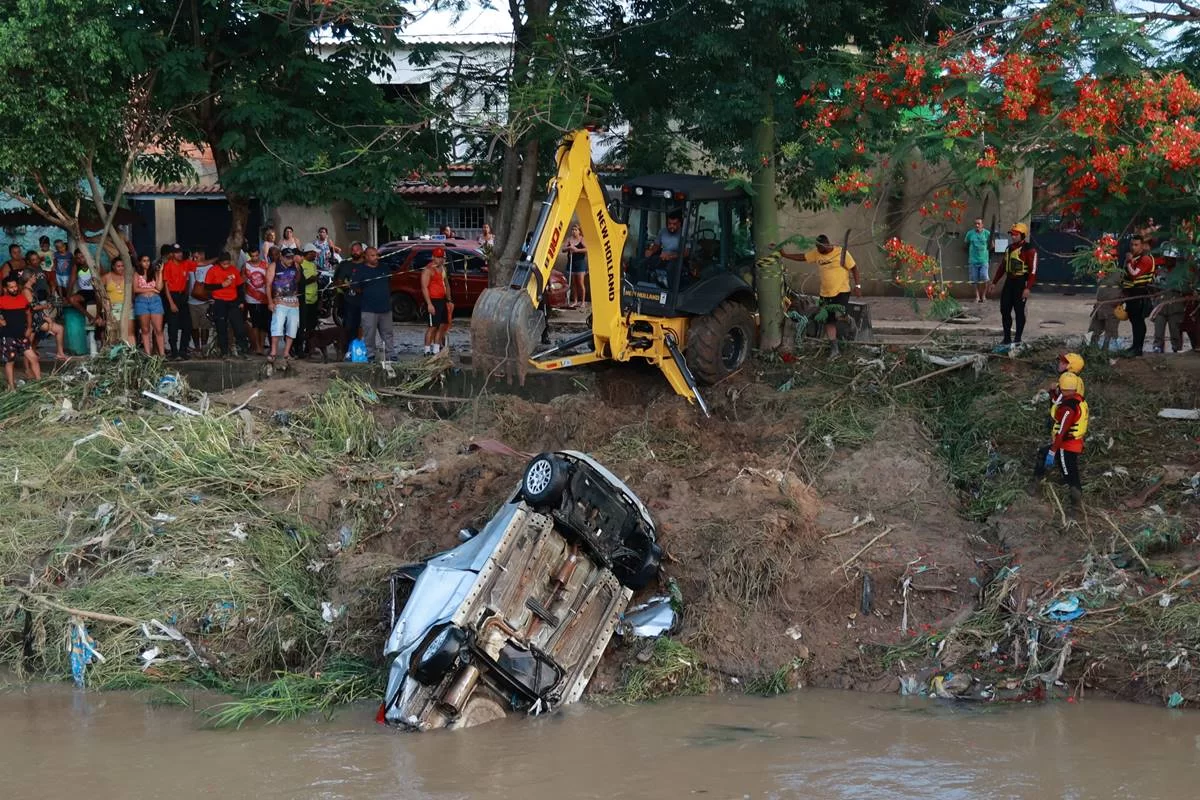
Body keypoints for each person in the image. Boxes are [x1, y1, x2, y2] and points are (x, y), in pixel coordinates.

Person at [779, 234, 862, 357]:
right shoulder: (817, 253)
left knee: (838, 313)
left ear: (827, 244)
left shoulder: (841, 253)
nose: (819, 251)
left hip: (841, 291)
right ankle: (835, 350)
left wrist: (858, 286)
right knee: (829, 321)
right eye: (817, 249)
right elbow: (802, 257)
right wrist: (785, 255)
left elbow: (854, 268)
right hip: (825, 293)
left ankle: (849, 320)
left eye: (821, 249)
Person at [1031, 372, 1088, 517]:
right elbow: (1057, 402)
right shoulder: (1078, 400)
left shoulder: (1068, 409)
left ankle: (1077, 507)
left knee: (1070, 474)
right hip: (1072, 443)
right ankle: (1035, 485)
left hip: (1066, 445)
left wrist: (1053, 451)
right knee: (1042, 453)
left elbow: (1062, 431)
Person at [987, 222, 1037, 347]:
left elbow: (1033, 271)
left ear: (1023, 235)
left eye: (1015, 234)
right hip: (1009, 282)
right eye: (1012, 234)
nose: (1013, 236)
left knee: (1019, 311)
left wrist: (1028, 288)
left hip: (1021, 282)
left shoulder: (1030, 250)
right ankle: (1007, 338)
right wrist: (994, 282)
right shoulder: (1009, 249)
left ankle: (1018, 339)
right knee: (1004, 309)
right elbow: (1002, 267)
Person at [352, 246, 394, 362]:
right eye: (373, 255)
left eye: (377, 255)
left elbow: (389, 282)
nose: (376, 258)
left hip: (385, 307)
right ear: (366, 257)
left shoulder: (384, 268)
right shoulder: (360, 270)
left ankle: (391, 354)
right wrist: (368, 293)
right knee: (369, 334)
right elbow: (355, 287)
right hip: (369, 308)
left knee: (388, 333)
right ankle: (370, 354)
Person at [204, 252, 250, 358]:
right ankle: (224, 351)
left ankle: (243, 348)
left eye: (228, 263)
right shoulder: (212, 270)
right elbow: (207, 287)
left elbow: (239, 287)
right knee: (221, 327)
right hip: (219, 301)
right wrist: (221, 285)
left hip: (233, 301)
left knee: (238, 326)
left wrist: (241, 301)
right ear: (220, 263)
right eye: (224, 264)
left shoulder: (233, 270)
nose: (226, 265)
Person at [0, 274, 41, 389]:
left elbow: (28, 314)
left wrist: (29, 328)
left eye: (15, 286)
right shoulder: (1, 300)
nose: (14, 289)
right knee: (10, 361)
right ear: (5, 289)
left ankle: (40, 383)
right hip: (7, 336)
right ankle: (12, 387)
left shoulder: (22, 299)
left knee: (33, 358)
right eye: (11, 287)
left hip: (21, 335)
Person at [266, 247, 301, 367]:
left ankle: (286, 352)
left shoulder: (294, 266)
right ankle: (274, 351)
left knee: (292, 326)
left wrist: (297, 267)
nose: (290, 260)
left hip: (293, 301)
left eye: (291, 258)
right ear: (281, 256)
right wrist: (270, 302)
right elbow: (268, 285)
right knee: (277, 326)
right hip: (279, 300)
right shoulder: (274, 266)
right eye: (287, 258)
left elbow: (298, 280)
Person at [1151, 248, 1190, 354]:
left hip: (1175, 305)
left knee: (1175, 330)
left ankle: (1176, 348)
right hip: (1160, 305)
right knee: (1158, 330)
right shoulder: (1159, 271)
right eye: (1166, 258)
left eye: (1170, 258)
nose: (1168, 260)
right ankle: (1157, 347)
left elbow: (1187, 289)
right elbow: (1153, 287)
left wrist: (1177, 287)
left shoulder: (1182, 273)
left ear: (1175, 259)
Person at [1122, 233, 1155, 357]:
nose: (1133, 247)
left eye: (1136, 245)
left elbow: (1135, 274)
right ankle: (1134, 346)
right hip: (1131, 294)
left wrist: (1129, 261)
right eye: (1132, 244)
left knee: (1138, 322)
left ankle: (1138, 349)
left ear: (1143, 246)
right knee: (1134, 321)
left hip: (1139, 294)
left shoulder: (1145, 259)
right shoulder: (1136, 258)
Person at [21, 269, 66, 361]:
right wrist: (46, 306)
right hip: (34, 320)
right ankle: (60, 354)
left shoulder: (29, 289)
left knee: (34, 340)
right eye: (34, 276)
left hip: (37, 317)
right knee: (59, 329)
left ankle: (34, 355)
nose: (36, 278)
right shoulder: (26, 291)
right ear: (29, 278)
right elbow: (33, 307)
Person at [421, 246, 453, 356]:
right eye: (438, 257)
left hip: (442, 300)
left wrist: (449, 300)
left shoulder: (443, 268)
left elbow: (446, 284)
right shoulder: (428, 270)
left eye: (442, 257)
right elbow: (424, 288)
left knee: (442, 325)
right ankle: (426, 350)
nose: (440, 260)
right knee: (432, 326)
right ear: (433, 257)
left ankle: (436, 349)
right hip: (433, 300)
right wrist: (429, 304)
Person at [133, 254, 166, 356]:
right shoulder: (136, 274)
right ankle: (148, 354)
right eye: (144, 261)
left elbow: (159, 288)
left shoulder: (154, 273)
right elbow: (135, 289)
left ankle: (162, 354)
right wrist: (151, 289)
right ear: (139, 262)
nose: (147, 263)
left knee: (159, 329)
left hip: (155, 300)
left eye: (148, 260)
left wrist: (160, 272)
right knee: (145, 329)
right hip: (142, 301)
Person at [242, 245, 270, 355]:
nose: (255, 258)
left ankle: (262, 346)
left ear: (259, 254)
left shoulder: (265, 265)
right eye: (252, 256)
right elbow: (243, 282)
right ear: (249, 255)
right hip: (251, 299)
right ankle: (257, 346)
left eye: (256, 255)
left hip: (264, 299)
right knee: (255, 324)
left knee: (263, 325)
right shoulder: (246, 266)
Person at [334, 241, 364, 345]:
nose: (355, 252)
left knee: (363, 326)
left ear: (362, 251)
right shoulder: (345, 265)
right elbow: (338, 281)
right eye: (353, 250)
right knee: (348, 326)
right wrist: (344, 285)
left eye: (358, 250)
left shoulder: (367, 265)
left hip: (365, 302)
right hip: (349, 301)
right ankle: (348, 348)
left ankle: (361, 348)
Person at [67, 250, 103, 333]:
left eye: (82, 256)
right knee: (72, 299)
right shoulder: (76, 267)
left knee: (99, 297)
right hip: (84, 291)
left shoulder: (94, 264)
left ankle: (98, 316)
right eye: (78, 258)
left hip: (95, 290)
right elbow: (71, 281)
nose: (81, 259)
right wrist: (68, 297)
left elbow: (102, 277)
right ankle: (90, 317)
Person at [297, 244, 320, 357]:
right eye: (314, 253)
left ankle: (309, 347)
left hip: (313, 299)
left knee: (312, 325)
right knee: (302, 325)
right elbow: (302, 282)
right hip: (304, 300)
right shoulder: (301, 265)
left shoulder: (313, 265)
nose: (316, 255)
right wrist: (313, 279)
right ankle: (299, 348)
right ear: (309, 252)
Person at [100, 256, 129, 342]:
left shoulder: (127, 276)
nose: (121, 268)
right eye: (118, 266)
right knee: (112, 332)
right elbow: (99, 292)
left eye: (122, 266)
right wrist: (105, 305)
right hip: (112, 307)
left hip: (125, 306)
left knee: (124, 331)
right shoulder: (106, 277)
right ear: (113, 266)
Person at [964, 218, 991, 304]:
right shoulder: (970, 233)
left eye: (979, 224)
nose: (977, 225)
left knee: (985, 277)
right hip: (973, 261)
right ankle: (977, 296)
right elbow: (966, 243)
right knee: (974, 279)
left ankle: (983, 296)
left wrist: (986, 252)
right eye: (975, 224)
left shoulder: (987, 233)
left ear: (982, 225)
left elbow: (992, 245)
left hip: (984, 261)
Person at [562, 222, 587, 307]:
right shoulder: (569, 239)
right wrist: (569, 248)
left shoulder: (582, 239)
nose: (573, 231)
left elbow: (587, 249)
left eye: (575, 230)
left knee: (580, 283)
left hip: (580, 263)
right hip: (571, 263)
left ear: (579, 231)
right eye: (572, 229)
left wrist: (576, 250)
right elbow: (563, 249)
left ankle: (583, 301)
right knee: (573, 283)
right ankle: (575, 301)